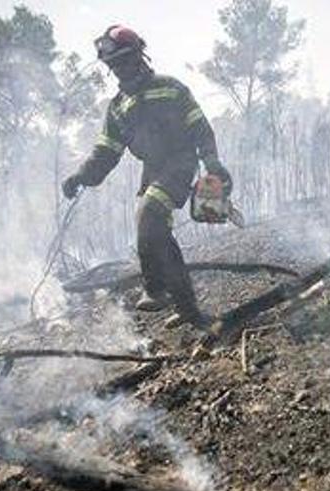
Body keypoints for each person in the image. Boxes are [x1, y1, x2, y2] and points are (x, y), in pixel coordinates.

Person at [62, 25, 232, 328]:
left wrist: (211, 162)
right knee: (155, 234)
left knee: (148, 214)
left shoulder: (170, 87)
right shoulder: (117, 108)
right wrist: (80, 176)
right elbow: (106, 152)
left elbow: (200, 127)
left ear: (140, 56)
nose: (119, 69)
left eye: (124, 61)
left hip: (180, 162)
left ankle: (156, 289)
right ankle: (189, 311)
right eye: (113, 65)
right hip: (153, 170)